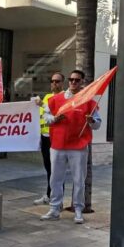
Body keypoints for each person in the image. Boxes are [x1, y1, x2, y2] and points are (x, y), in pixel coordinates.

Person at [40, 70, 101, 224]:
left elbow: (97, 124)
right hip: (58, 144)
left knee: (79, 179)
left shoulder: (89, 101)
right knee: (55, 178)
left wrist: (91, 121)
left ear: (82, 82)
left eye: (77, 80)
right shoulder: (55, 99)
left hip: (78, 146)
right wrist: (54, 118)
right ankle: (54, 208)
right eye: (71, 79)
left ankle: (78, 210)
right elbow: (45, 117)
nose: (73, 82)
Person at [33, 72, 65, 205]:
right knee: (48, 167)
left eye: (57, 81)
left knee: (57, 169)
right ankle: (49, 194)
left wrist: (41, 105)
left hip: (56, 137)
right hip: (45, 136)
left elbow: (57, 113)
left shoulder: (64, 97)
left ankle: (58, 199)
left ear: (62, 83)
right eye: (52, 81)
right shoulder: (46, 96)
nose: (54, 83)